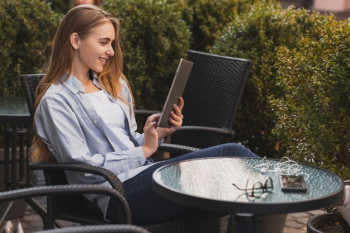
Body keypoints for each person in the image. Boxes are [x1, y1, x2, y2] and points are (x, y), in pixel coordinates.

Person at [30, 4, 259, 231]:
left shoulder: (113, 83)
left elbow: (126, 143)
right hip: (115, 194)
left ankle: (283, 185)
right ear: (75, 41)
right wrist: (143, 151)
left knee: (243, 192)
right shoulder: (57, 101)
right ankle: (291, 181)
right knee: (232, 154)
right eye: (103, 42)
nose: (111, 51)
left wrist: (155, 135)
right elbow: (83, 167)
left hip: (144, 177)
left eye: (112, 43)